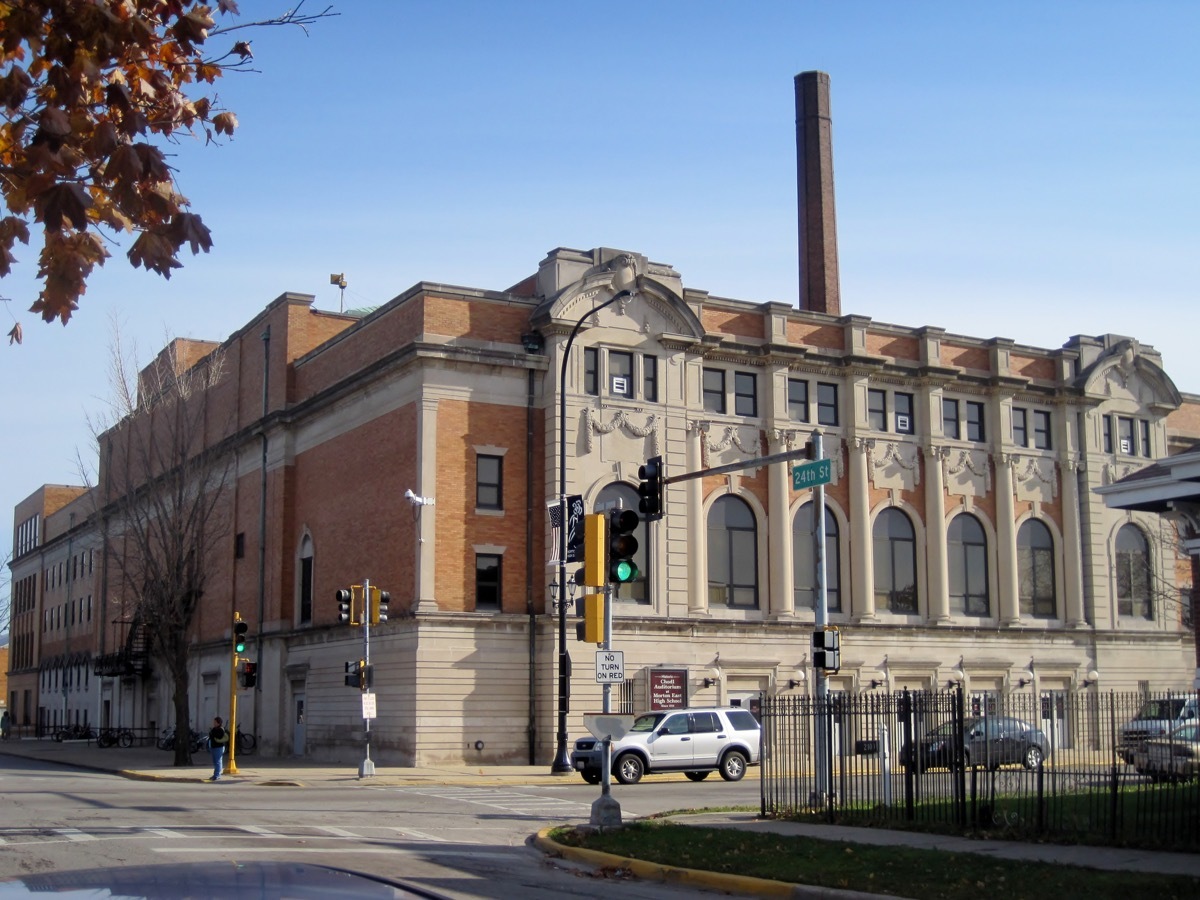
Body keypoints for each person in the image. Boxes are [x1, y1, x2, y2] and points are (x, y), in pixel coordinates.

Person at [207, 716, 229, 781]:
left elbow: (219, 736)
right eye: (214, 722)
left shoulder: (221, 729)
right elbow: (211, 735)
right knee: (215, 761)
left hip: (219, 747)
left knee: (218, 761)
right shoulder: (214, 729)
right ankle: (215, 774)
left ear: (219, 723)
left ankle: (217, 775)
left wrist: (213, 734)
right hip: (213, 746)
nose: (214, 723)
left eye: (215, 722)